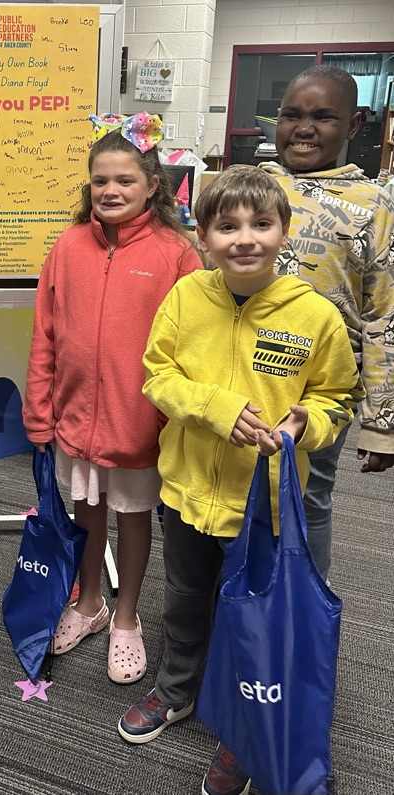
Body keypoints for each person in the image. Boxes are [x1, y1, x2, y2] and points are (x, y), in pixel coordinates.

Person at [117, 164, 364, 795]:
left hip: (263, 507)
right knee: (184, 598)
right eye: (227, 226)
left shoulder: (315, 315)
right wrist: (216, 409)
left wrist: (309, 422)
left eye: (261, 223)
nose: (245, 238)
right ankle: (176, 688)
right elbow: (157, 375)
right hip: (187, 492)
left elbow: (338, 397)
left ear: (284, 230)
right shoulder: (185, 297)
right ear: (203, 236)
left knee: (252, 620)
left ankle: (244, 727)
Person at [22, 113, 202, 685]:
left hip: (141, 424)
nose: (111, 190)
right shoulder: (68, 246)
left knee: (134, 517)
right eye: (100, 180)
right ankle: (89, 603)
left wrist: (176, 419)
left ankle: (127, 617)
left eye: (125, 180)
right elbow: (46, 333)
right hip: (76, 419)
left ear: (153, 185)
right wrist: (39, 409)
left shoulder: (177, 253)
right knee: (87, 511)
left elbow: (194, 344)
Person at [260, 64, 394, 581]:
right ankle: (235, 601)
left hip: (323, 384)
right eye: (292, 115)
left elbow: (384, 313)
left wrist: (382, 423)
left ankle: (301, 602)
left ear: (354, 125)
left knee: (308, 495)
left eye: (323, 117)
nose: (304, 128)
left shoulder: (374, 205)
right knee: (232, 488)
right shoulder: (250, 186)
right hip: (241, 368)